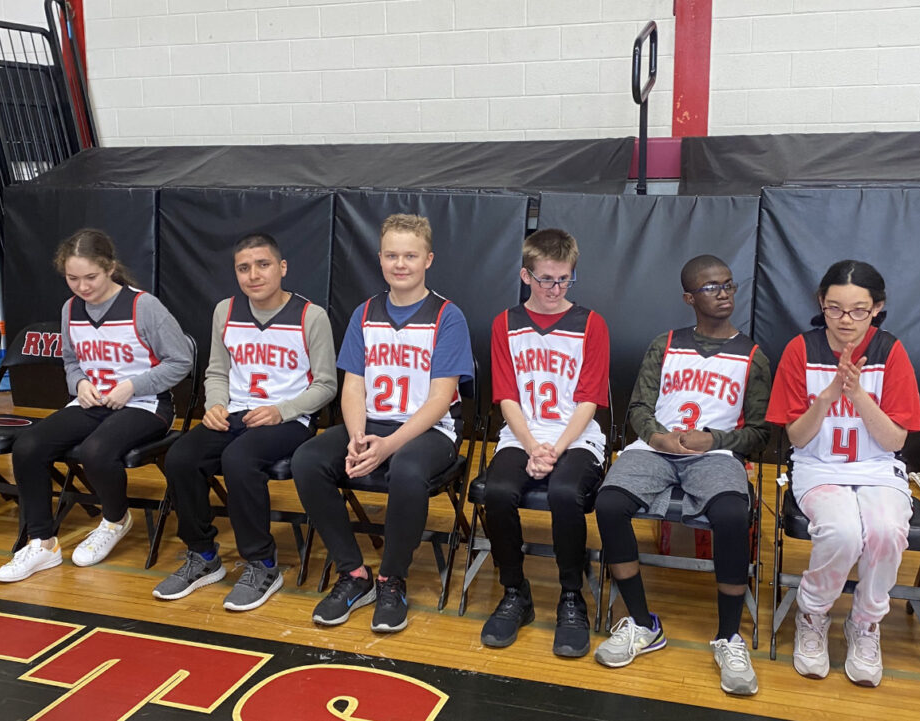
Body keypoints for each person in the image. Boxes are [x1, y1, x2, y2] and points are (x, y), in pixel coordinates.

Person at [593, 254, 770, 696]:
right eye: (712, 287)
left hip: (715, 454)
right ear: (690, 297)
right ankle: (641, 623)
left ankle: (729, 638)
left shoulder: (753, 355)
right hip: (658, 449)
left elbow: (762, 432)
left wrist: (716, 441)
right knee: (609, 503)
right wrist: (660, 439)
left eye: (728, 284)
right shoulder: (665, 344)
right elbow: (637, 409)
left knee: (732, 514)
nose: (724, 292)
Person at [291, 213, 473, 634]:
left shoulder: (448, 316)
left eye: (410, 255)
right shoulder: (365, 313)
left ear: (428, 259)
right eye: (392, 255)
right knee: (308, 459)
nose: (400, 264)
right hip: (371, 422)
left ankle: (393, 580)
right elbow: (352, 387)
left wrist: (388, 447)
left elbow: (440, 398)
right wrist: (357, 437)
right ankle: (354, 574)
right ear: (379, 259)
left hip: (431, 430)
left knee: (408, 470)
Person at [0, 229, 193, 582]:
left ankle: (115, 519)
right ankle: (43, 542)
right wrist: (80, 383)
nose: (82, 287)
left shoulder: (142, 306)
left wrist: (133, 385)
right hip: (92, 401)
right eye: (73, 278)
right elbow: (72, 361)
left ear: (110, 268)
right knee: (28, 445)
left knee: (97, 451)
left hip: (146, 404)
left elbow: (181, 361)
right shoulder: (70, 308)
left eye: (91, 277)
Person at [152, 233, 337, 611]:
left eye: (263, 265)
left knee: (239, 459)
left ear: (282, 268)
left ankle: (263, 563)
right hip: (235, 412)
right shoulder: (225, 310)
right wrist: (215, 405)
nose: (254, 274)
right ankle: (203, 555)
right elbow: (217, 371)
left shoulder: (311, 316)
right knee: (181, 457)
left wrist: (281, 411)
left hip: (289, 419)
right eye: (243, 268)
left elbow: (326, 385)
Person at [766, 259, 920, 688]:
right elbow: (797, 436)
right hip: (818, 467)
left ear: (877, 308)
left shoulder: (891, 351)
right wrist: (830, 393)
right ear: (821, 304)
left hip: (877, 468)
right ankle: (813, 613)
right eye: (834, 308)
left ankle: (864, 624)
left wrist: (857, 395)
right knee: (842, 532)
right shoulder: (801, 349)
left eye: (858, 309)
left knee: (887, 530)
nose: (845, 320)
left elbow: (894, 442)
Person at [478, 228, 609, 657]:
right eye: (546, 279)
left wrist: (555, 448)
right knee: (496, 492)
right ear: (525, 275)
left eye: (564, 279)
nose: (555, 289)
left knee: (565, 492)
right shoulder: (505, 324)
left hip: (577, 435)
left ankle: (572, 596)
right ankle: (515, 591)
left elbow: (590, 399)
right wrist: (533, 444)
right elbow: (507, 396)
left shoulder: (591, 323)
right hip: (522, 431)